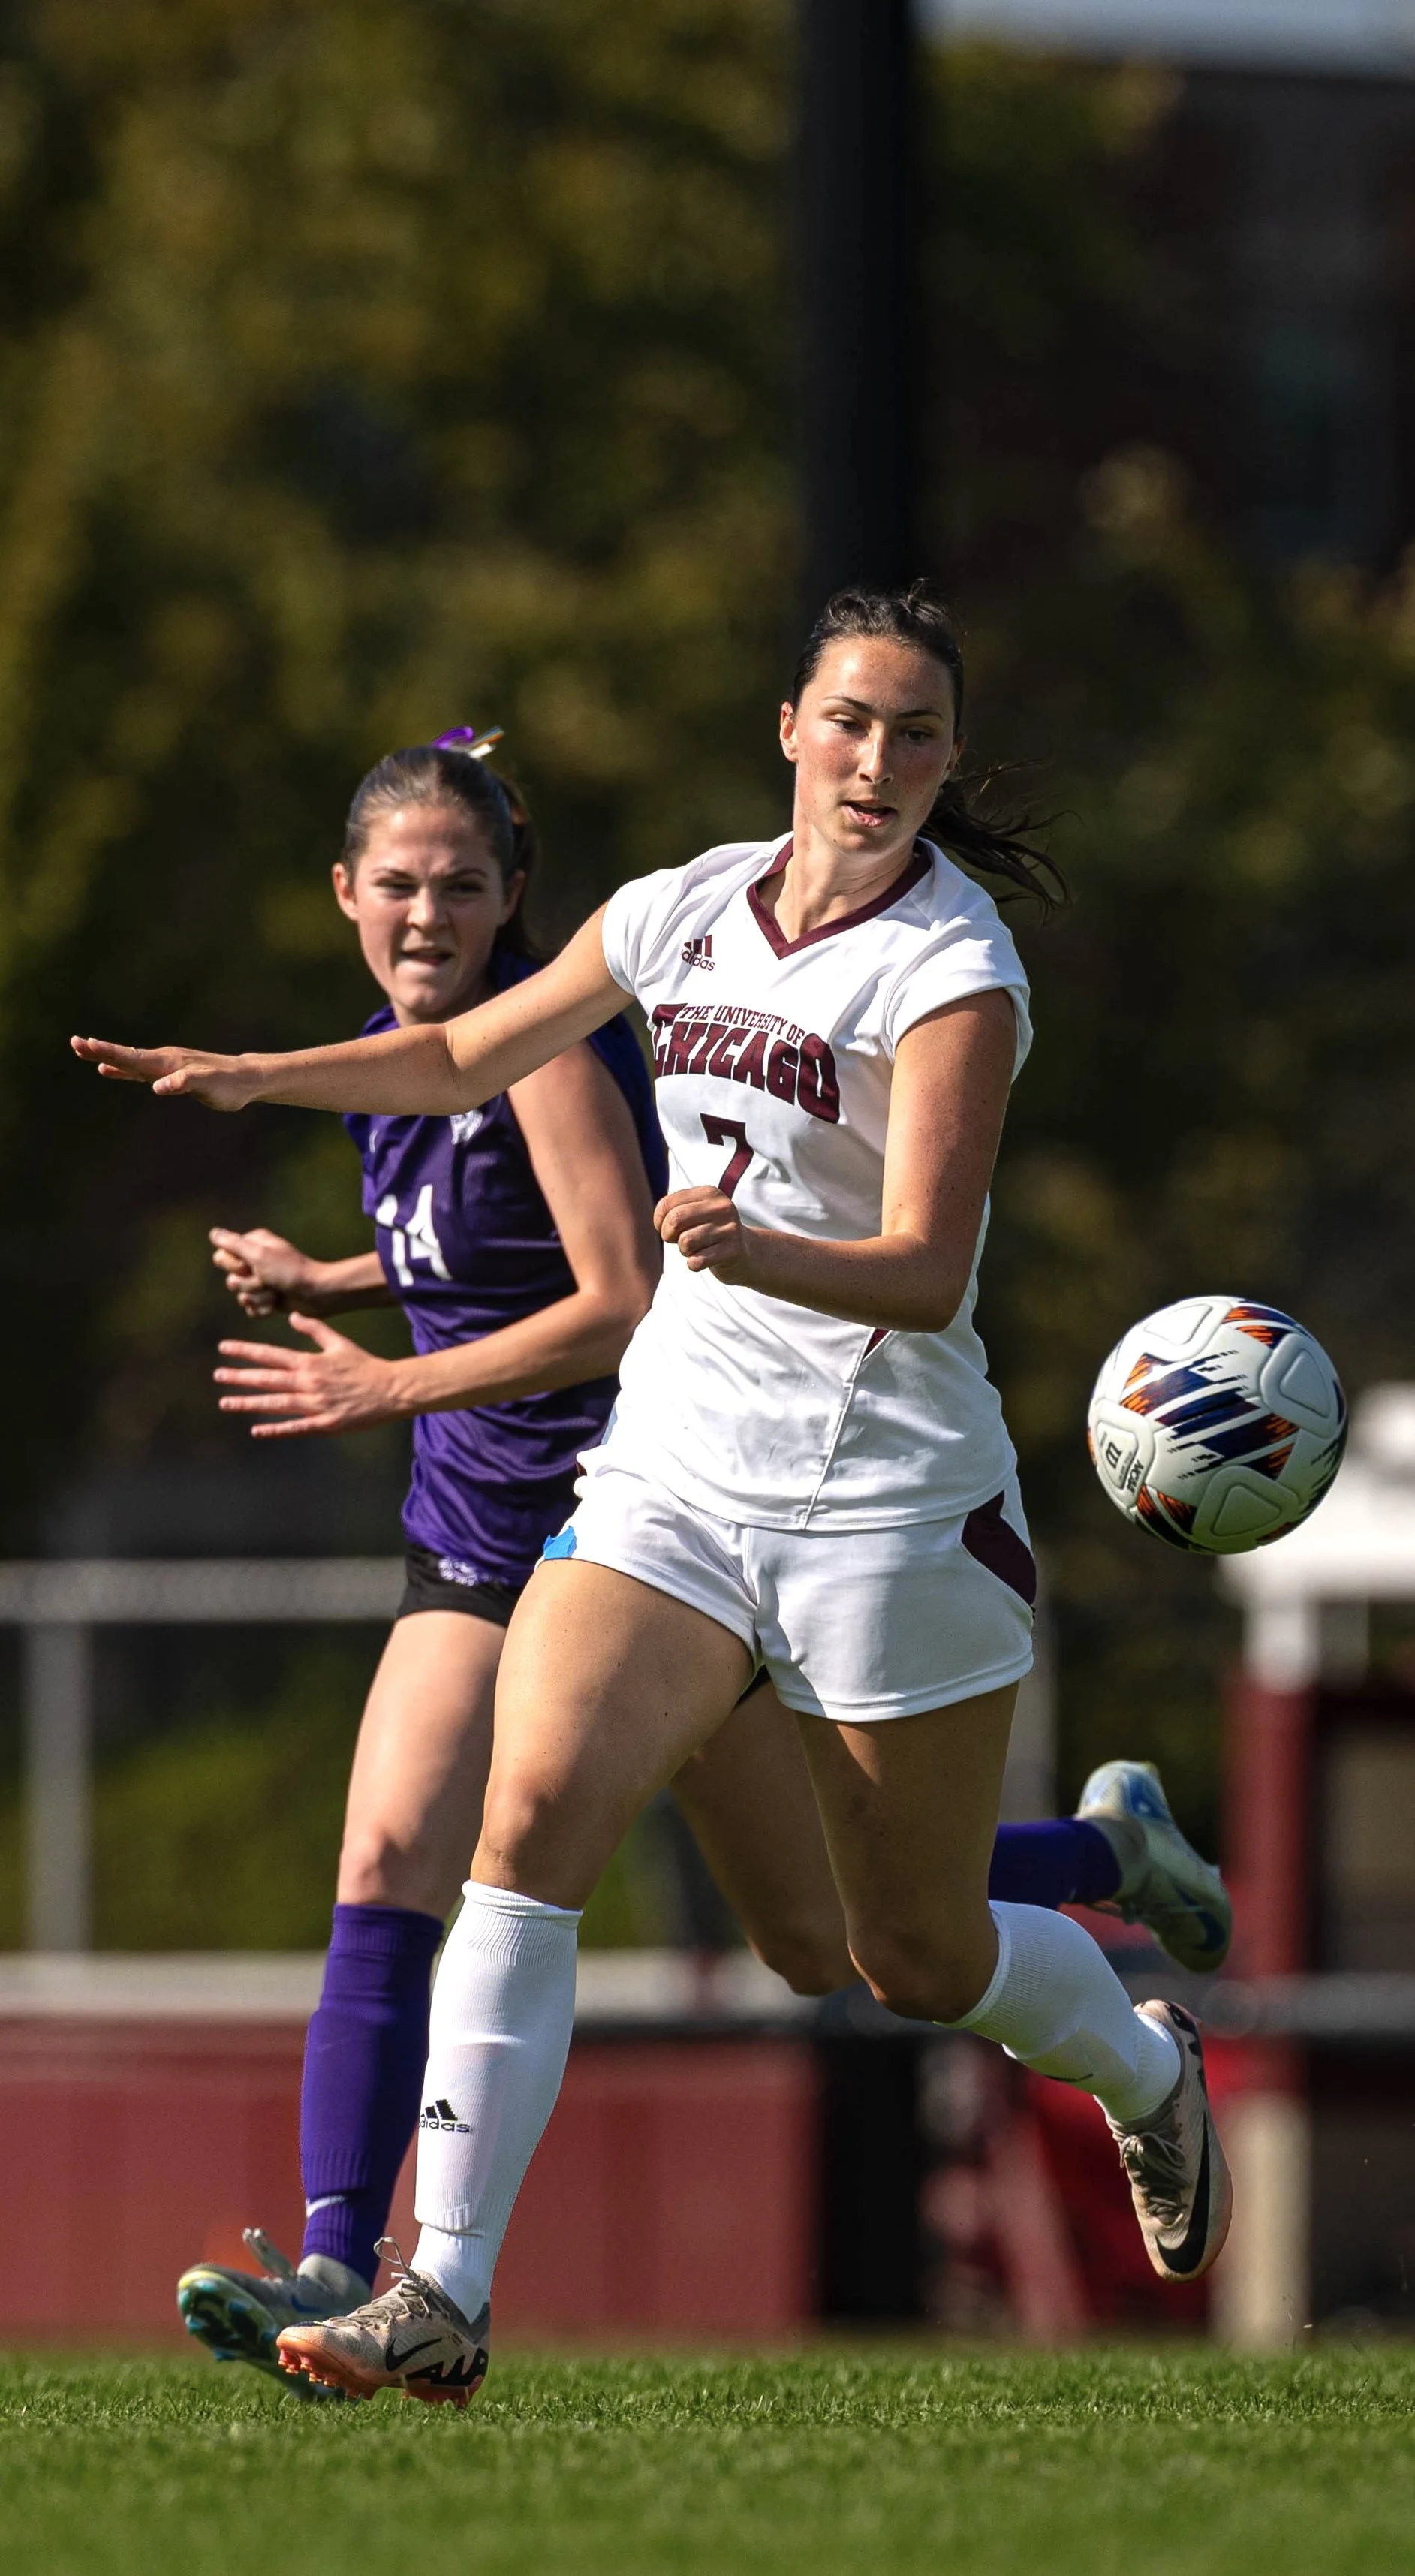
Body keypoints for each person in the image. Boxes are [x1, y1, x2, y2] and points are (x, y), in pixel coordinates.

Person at [75, 583, 1234, 2408]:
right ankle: (434, 2292)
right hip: (673, 1475)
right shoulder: (680, 903)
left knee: (897, 1951)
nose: (877, 760)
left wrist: (760, 1245)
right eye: (849, 720)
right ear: (791, 726)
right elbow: (463, 1051)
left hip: (882, 1499)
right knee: (523, 1815)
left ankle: (1148, 2071)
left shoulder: (954, 963)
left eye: (916, 732)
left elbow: (928, 1267)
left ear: (945, 762)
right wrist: (251, 1077)